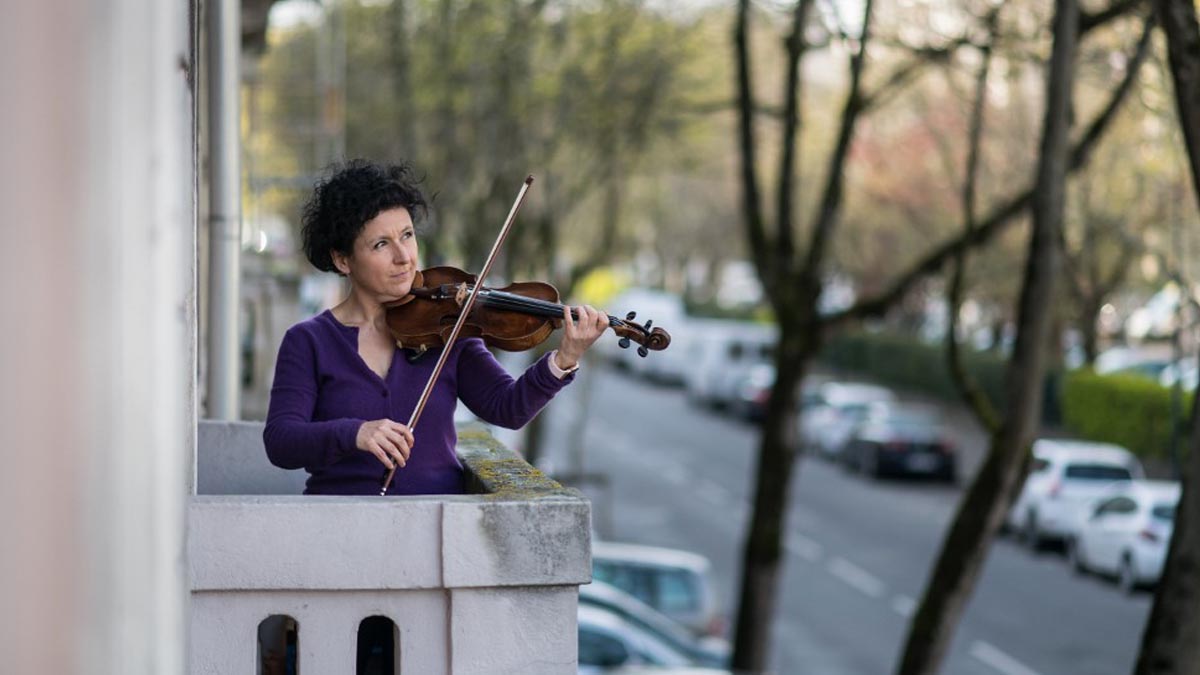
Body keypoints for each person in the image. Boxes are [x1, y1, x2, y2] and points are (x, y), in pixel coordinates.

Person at [263, 160, 608, 495]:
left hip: (434, 531)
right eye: (381, 244)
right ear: (342, 259)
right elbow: (281, 442)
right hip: (340, 529)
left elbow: (508, 407)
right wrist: (355, 433)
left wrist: (564, 359)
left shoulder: (448, 326)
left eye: (407, 235)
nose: (404, 257)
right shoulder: (309, 341)